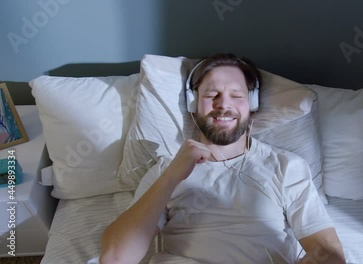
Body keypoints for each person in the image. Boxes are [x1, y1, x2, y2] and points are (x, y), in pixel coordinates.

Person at [100, 54, 345, 264]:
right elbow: (114, 258)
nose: (223, 104)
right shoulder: (166, 169)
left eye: (236, 95)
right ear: (194, 104)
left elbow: (330, 253)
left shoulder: (286, 166)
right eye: (212, 94)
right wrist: (172, 177)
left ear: (253, 104)